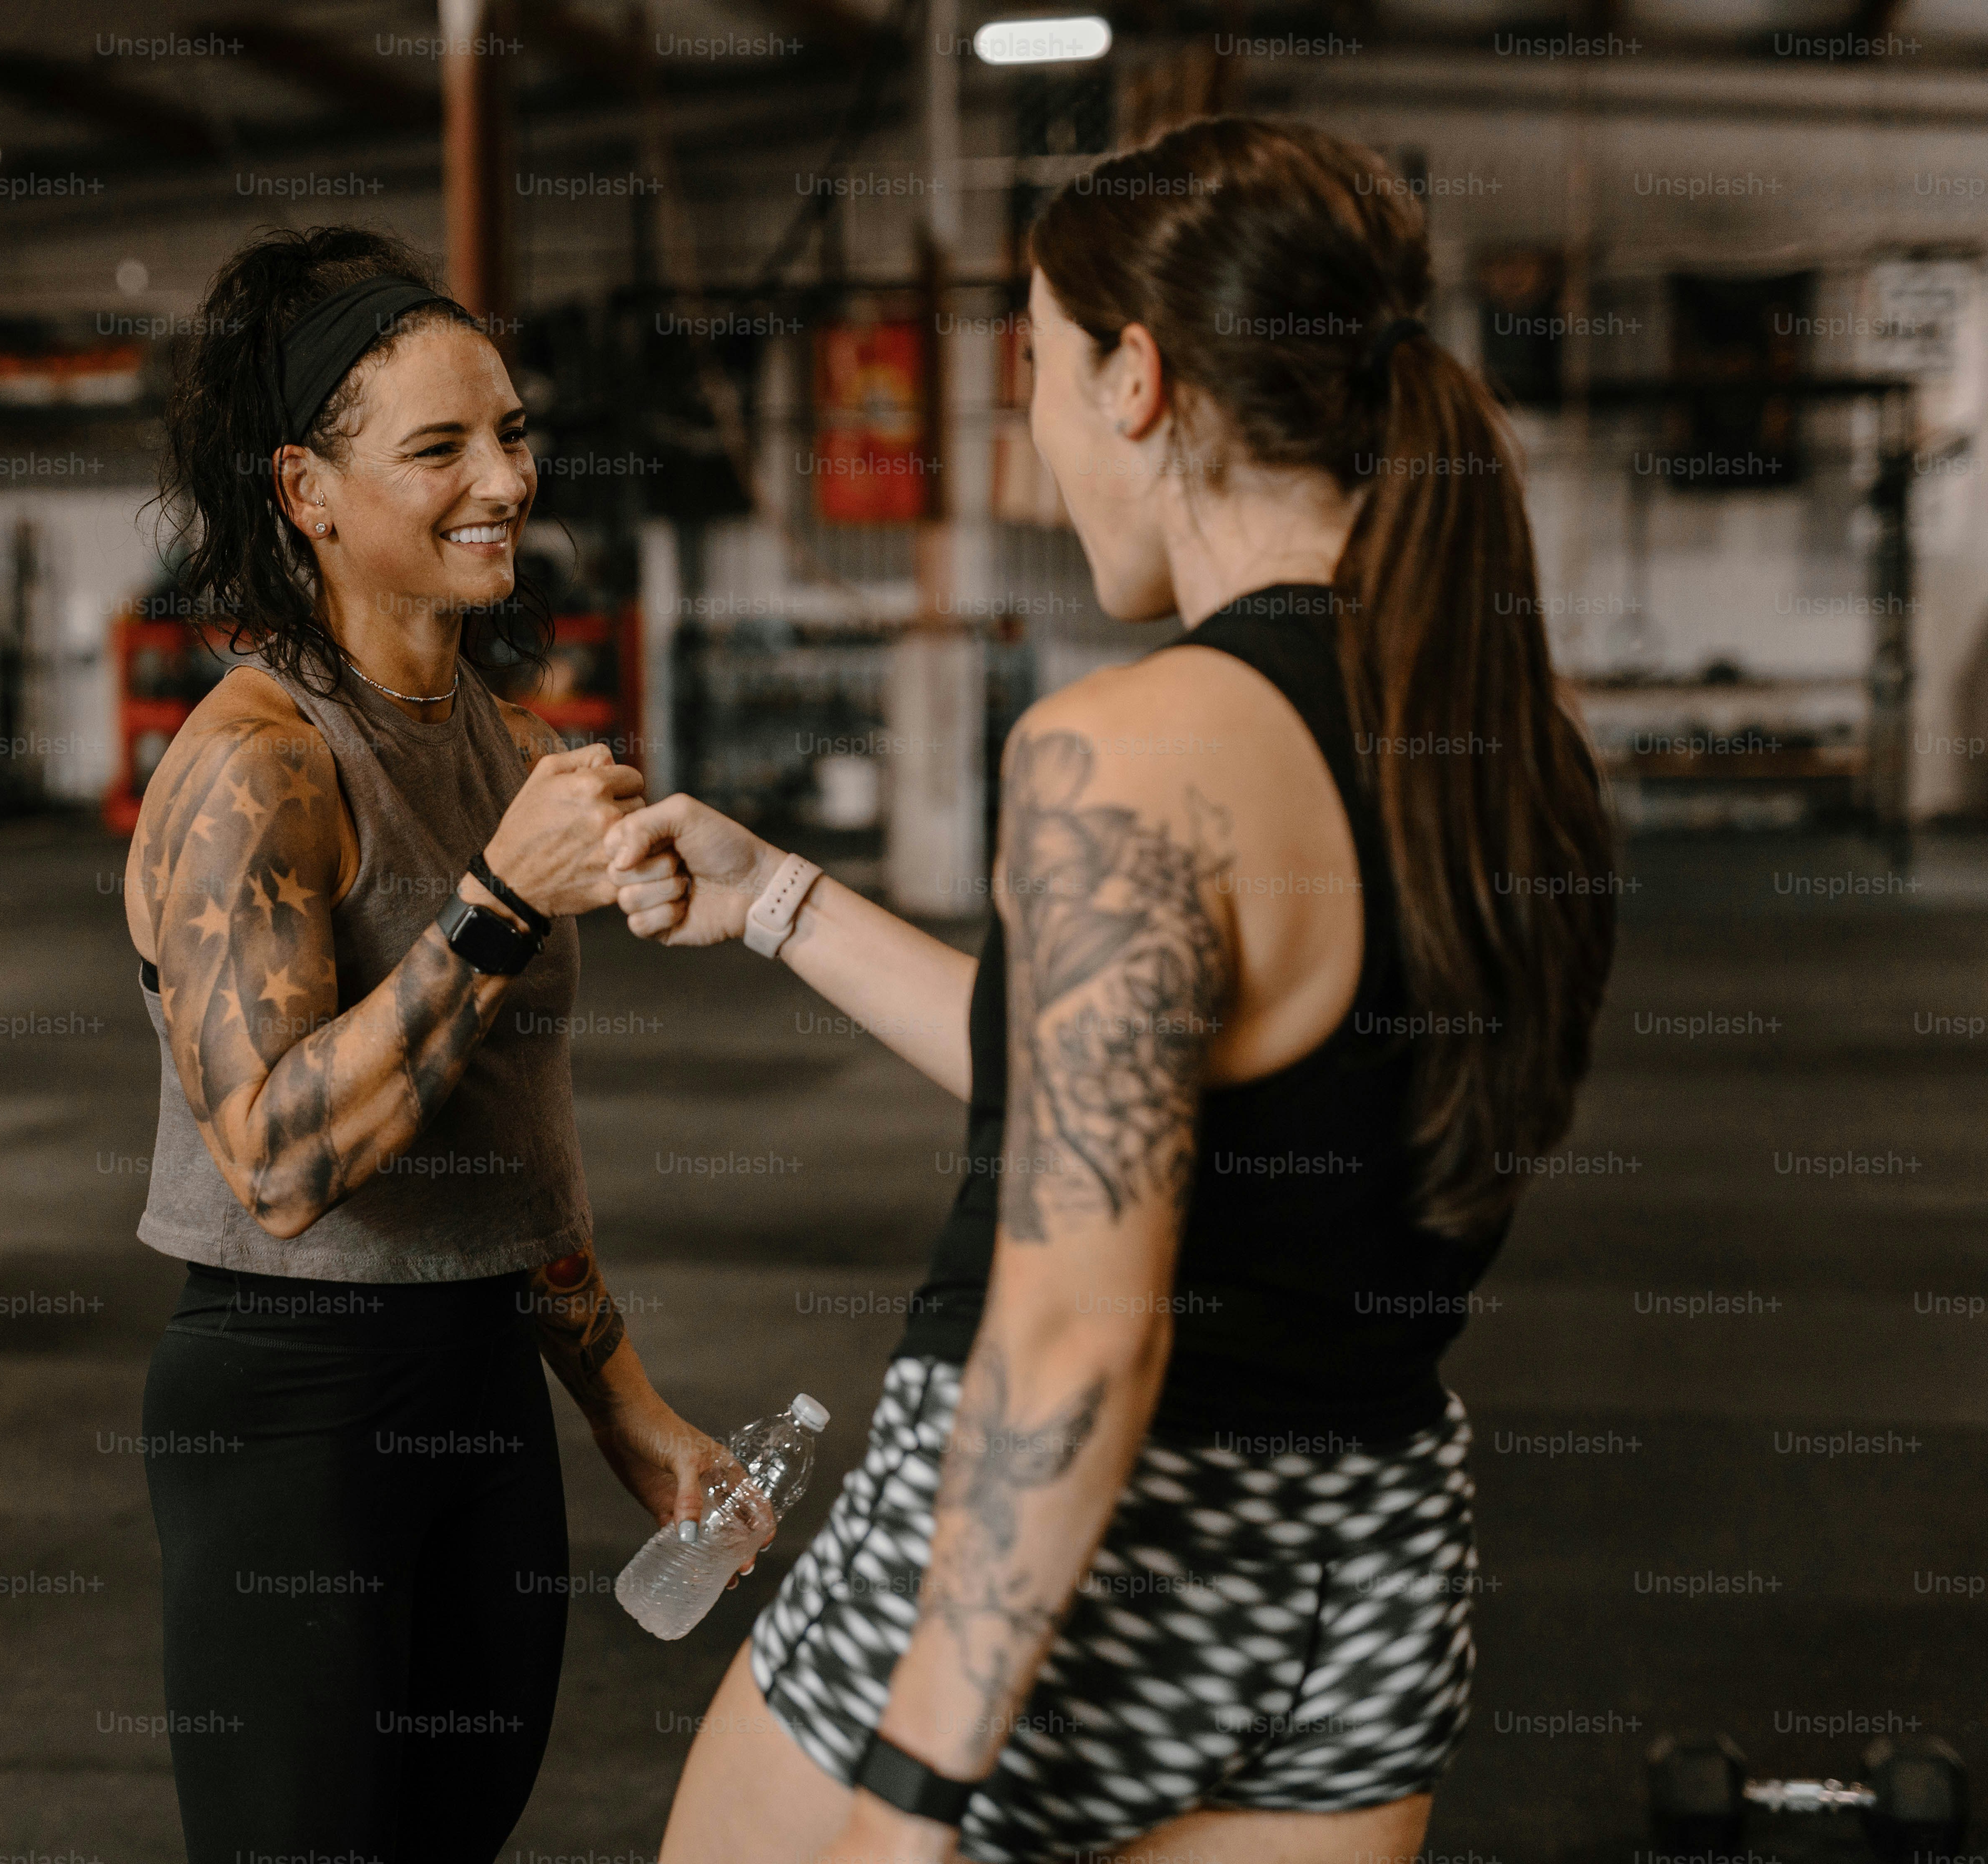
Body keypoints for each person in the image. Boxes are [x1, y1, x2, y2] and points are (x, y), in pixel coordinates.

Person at [609, 117, 1618, 1863]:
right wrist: (777, 901)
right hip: (1365, 1568)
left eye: (1039, 375)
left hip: (1092, 1565)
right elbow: (1110, 1105)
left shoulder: (1132, 752)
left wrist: (918, 1791)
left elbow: (1083, 1324)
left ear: (1136, 378)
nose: (1040, 437)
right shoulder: (1511, 752)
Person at [125, 226, 728, 1864]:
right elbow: (275, 1161)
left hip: (479, 1380)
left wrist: (627, 1402)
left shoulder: (517, 753)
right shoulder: (253, 763)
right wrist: (492, 908)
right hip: (291, 1395)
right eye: (441, 448)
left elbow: (518, 1150)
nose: (504, 480)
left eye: (515, 433)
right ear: (308, 491)